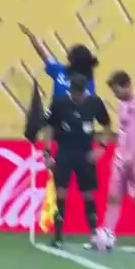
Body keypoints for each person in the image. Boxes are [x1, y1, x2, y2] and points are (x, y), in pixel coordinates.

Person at [44, 73, 111, 248]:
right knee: (61, 193)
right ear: (71, 89)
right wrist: (48, 153)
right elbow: (49, 127)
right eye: (74, 91)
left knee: (88, 194)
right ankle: (58, 237)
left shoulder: (95, 102)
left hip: (86, 154)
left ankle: (95, 236)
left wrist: (102, 147)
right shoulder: (60, 103)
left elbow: (107, 125)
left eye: (80, 92)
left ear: (84, 90)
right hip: (65, 153)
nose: (77, 95)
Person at [100, 70, 135, 254]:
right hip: (120, 158)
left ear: (126, 85)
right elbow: (123, 130)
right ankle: (107, 237)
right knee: (114, 198)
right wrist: (120, 155)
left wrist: (133, 156)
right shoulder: (122, 104)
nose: (115, 94)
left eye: (116, 90)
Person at [19, 24, 98, 97]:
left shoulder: (87, 84)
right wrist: (30, 35)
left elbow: (43, 54)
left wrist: (30, 35)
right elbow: (44, 54)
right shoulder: (60, 71)